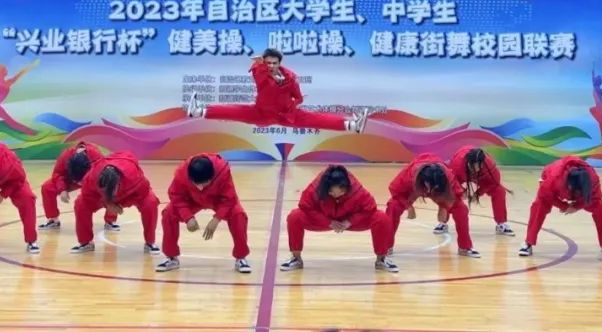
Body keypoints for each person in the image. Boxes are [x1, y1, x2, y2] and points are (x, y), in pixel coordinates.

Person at [186, 48, 369, 133]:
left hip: (285, 114)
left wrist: (293, 103)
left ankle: (352, 125)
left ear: (280, 63)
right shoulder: (259, 72)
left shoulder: (291, 77)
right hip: (262, 113)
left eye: (274, 63)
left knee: (316, 118)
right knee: (235, 111)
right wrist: (261, 65)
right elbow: (260, 75)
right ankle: (198, 111)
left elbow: (298, 98)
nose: (271, 66)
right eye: (268, 63)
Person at [280, 165, 398, 273]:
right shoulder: (316, 187)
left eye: (341, 192)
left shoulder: (356, 189)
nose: (336, 195)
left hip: (349, 221)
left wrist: (350, 221)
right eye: (331, 193)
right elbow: (305, 206)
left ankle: (381, 259)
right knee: (294, 217)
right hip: (324, 219)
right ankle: (296, 258)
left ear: (346, 187)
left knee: (381, 218)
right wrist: (328, 222)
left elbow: (370, 207)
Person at [157, 153, 252, 274]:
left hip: (217, 200)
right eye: (197, 184)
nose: (201, 188)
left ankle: (241, 257)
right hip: (192, 199)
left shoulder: (223, 171)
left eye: (204, 183)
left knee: (238, 215)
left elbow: (229, 199)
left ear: (212, 177)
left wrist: (216, 219)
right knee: (168, 214)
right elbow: (176, 195)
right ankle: (171, 257)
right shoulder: (181, 173)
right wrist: (187, 217)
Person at [518, 156, 602, 259]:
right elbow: (544, 195)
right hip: (552, 183)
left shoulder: (593, 179)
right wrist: (563, 206)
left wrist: (576, 206)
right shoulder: (554, 178)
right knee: (538, 206)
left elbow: (596, 197)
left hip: (577, 191)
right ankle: (528, 243)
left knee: (601, 207)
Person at [386, 153, 481, 258]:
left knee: (461, 209)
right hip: (414, 188)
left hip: (441, 191)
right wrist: (408, 206)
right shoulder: (408, 176)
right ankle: (386, 246)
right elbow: (394, 189)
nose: (430, 191)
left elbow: (457, 196)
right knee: (393, 206)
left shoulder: (448, 177)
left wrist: (444, 206)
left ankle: (465, 247)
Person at [70, 151, 161, 255]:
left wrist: (120, 205)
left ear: (118, 183)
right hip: (104, 195)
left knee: (151, 202)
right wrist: (109, 204)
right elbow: (86, 195)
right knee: (80, 204)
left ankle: (150, 242)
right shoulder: (91, 177)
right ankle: (86, 242)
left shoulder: (134, 177)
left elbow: (143, 194)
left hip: (130, 194)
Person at [433, 146, 514, 237]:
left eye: (478, 166)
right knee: (446, 192)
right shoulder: (457, 165)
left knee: (499, 191)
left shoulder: (489, 165)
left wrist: (478, 193)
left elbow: (493, 183)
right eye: (473, 167)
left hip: (481, 177)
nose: (476, 169)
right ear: (468, 163)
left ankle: (501, 224)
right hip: (460, 173)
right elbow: (450, 183)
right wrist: (460, 192)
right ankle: (442, 223)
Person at [37, 142, 120, 232]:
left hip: (92, 180)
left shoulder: (96, 157)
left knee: (111, 186)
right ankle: (53, 220)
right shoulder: (65, 156)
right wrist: (62, 189)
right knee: (47, 187)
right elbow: (58, 174)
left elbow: (105, 176)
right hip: (72, 179)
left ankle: (110, 220)